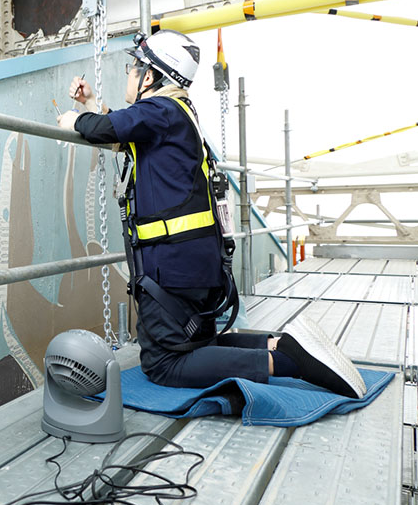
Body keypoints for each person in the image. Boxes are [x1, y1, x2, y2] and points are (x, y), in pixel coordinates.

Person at [56, 29, 365, 399]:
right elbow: (125, 134)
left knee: (163, 363)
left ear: (149, 77)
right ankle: (280, 345)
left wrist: (74, 120)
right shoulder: (174, 113)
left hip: (172, 268)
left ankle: (288, 362)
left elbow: (107, 129)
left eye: (132, 68)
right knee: (198, 344)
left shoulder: (160, 111)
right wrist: (92, 104)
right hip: (192, 264)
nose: (129, 74)